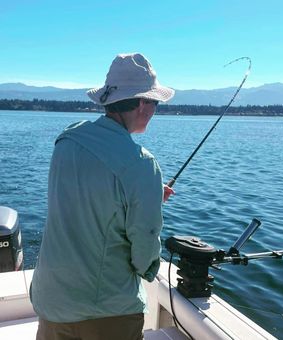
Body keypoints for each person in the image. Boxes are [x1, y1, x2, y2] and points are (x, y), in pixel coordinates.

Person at [30, 53, 175, 340]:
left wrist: (146, 195)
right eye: (155, 103)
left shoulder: (68, 139)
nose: (155, 110)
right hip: (105, 311)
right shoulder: (141, 164)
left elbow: (88, 195)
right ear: (144, 103)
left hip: (51, 300)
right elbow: (144, 252)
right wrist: (150, 268)